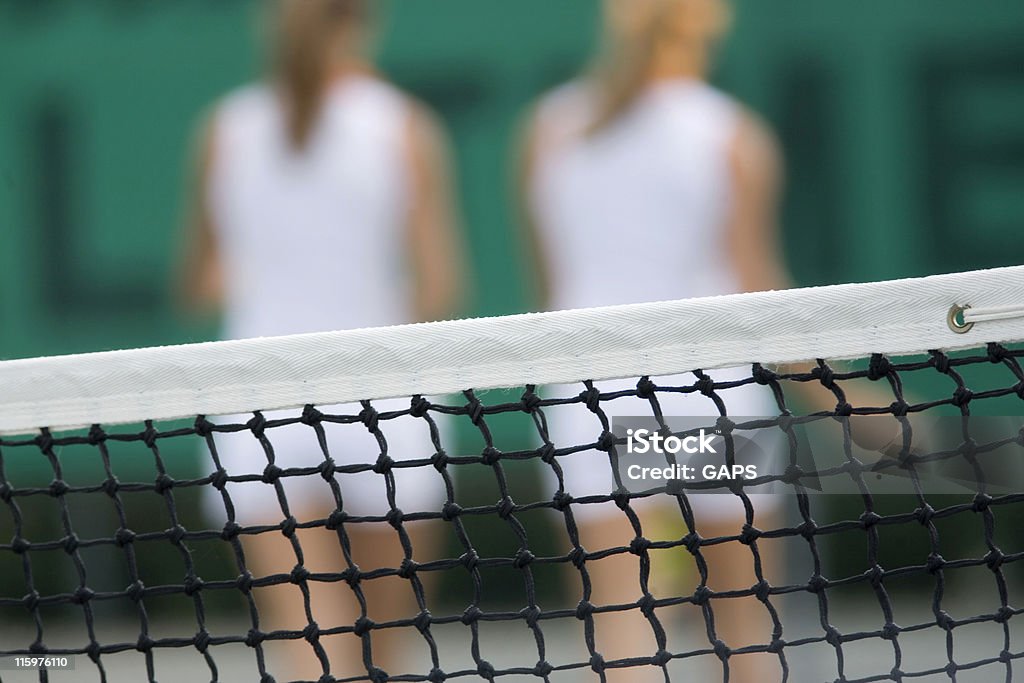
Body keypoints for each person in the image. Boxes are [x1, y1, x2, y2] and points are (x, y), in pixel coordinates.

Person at [179, 1, 465, 680]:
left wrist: (273, 271)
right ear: (364, 23)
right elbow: (439, 286)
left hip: (260, 401)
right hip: (387, 401)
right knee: (379, 655)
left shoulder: (225, 128)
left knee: (313, 648)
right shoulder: (405, 127)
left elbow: (199, 279)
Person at [519, 1, 789, 680]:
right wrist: (853, 397)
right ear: (707, 25)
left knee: (623, 623)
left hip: (594, 397)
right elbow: (762, 290)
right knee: (745, 625)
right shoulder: (731, 135)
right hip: (711, 392)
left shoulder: (546, 131)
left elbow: (549, 287)